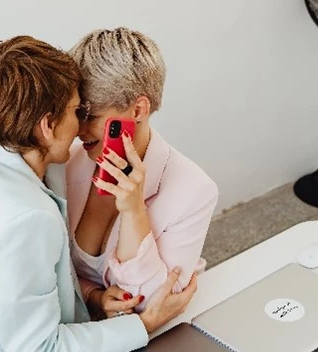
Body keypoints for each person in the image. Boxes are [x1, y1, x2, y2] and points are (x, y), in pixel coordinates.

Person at [0, 35, 197, 352]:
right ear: (48, 126)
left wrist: (95, 297)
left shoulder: (3, 153)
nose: (82, 126)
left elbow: (48, 280)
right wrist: (143, 325)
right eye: (77, 111)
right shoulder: (25, 219)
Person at [67, 27, 218, 320]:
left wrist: (134, 212)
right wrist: (93, 296)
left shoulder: (194, 191)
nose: (79, 130)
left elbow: (150, 304)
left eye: (91, 116)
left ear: (138, 109)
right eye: (77, 114)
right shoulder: (68, 163)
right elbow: (54, 268)